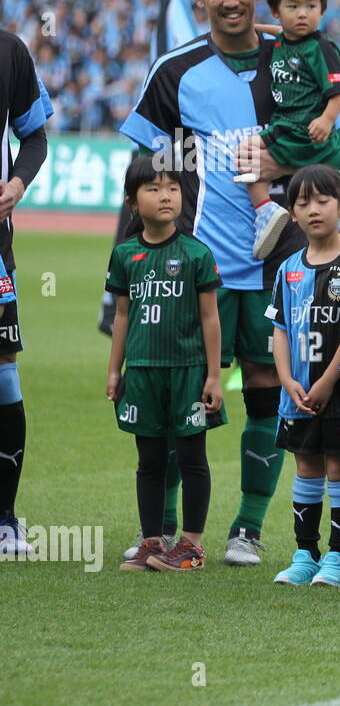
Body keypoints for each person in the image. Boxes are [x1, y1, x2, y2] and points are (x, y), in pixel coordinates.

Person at [120, 0, 340, 568]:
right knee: (181, 395)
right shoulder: (175, 70)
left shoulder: (300, 54)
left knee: (265, 386)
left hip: (281, 264)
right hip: (196, 264)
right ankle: (162, 532)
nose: (231, 0)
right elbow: (146, 169)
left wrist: (280, 159)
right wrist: (127, 266)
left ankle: (247, 530)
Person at [108, 157, 225, 571]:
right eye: (153, 189)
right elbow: (122, 316)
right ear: (132, 202)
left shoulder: (195, 253)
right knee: (150, 460)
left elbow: (211, 318)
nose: (165, 196)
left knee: (192, 457)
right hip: (141, 372)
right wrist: (114, 370)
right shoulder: (124, 255)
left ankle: (191, 545)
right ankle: (153, 542)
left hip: (189, 372)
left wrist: (213, 374)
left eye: (172, 188)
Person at [267, 166, 340, 587]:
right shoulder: (288, 268)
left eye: (322, 200)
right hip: (295, 394)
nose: (313, 210)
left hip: (339, 392)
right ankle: (305, 553)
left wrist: (328, 382)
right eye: (303, 202)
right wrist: (287, 380)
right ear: (292, 212)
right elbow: (278, 329)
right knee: (306, 468)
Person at [235, 0, 340, 260]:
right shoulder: (283, 40)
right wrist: (250, 28)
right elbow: (280, 32)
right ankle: (270, 211)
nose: (302, 13)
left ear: (323, 10)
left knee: (245, 153)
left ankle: (265, 211)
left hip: (300, 126)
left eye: (311, 6)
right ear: (276, 10)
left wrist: (327, 119)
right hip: (286, 124)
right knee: (249, 157)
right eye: (293, 6)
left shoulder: (320, 47)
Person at [0, 28, 53, 556]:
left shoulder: (9, 50)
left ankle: (4, 520)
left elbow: (34, 136)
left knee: (2, 377)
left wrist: (16, 184)